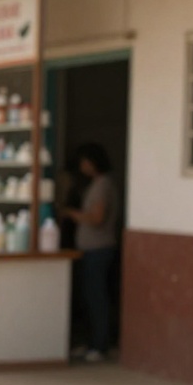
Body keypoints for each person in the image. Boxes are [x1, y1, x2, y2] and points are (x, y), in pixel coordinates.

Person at [64, 143, 119, 362]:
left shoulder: (103, 185)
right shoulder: (95, 185)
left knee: (97, 297)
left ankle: (100, 345)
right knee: (89, 296)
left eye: (85, 162)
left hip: (99, 249)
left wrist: (72, 214)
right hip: (89, 249)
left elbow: (97, 218)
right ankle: (91, 343)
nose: (82, 166)